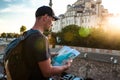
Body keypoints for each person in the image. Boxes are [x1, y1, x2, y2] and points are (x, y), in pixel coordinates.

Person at [23, 5, 72, 80]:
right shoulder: (40, 38)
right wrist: (66, 67)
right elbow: (47, 72)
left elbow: (32, 55)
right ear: (45, 17)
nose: (52, 24)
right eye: (52, 19)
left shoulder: (26, 34)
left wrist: (49, 55)